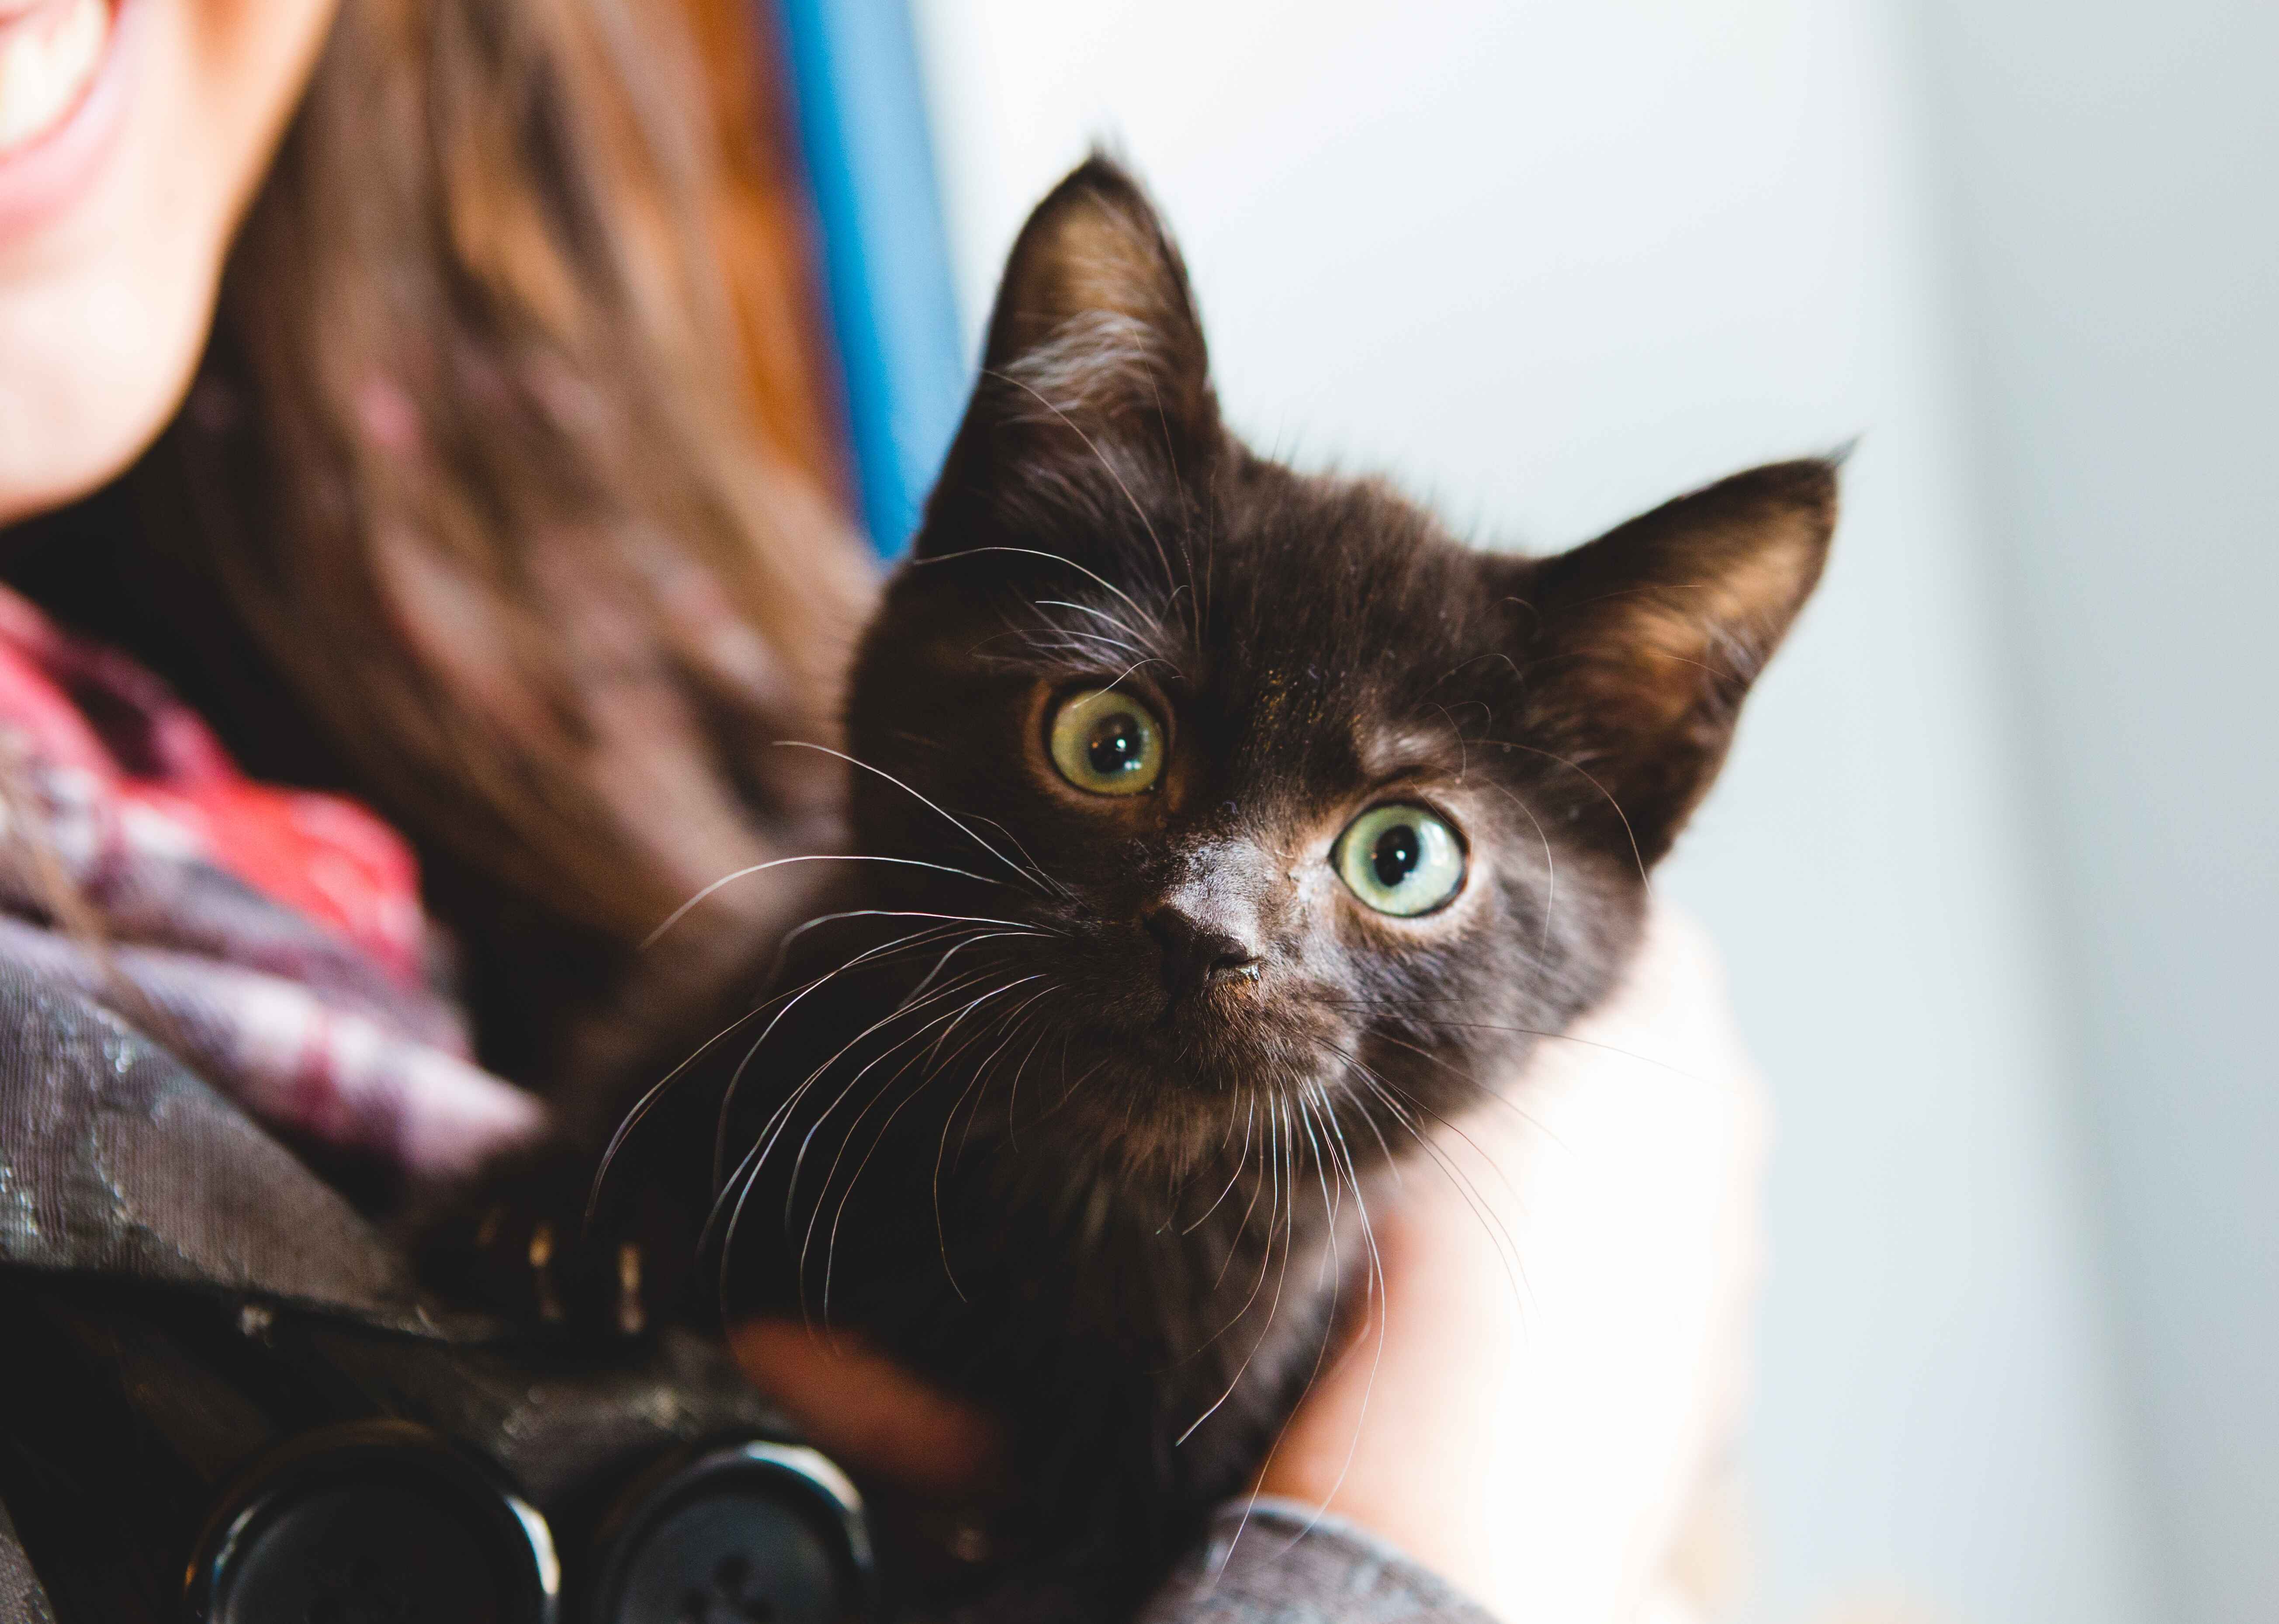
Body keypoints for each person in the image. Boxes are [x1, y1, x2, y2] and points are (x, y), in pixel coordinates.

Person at [0, 1, 1769, 1619]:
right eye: (1113, 745)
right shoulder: (758, 1080)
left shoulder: (471, 530)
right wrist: (1464, 1471)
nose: (1215, 915)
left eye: (1395, 857)